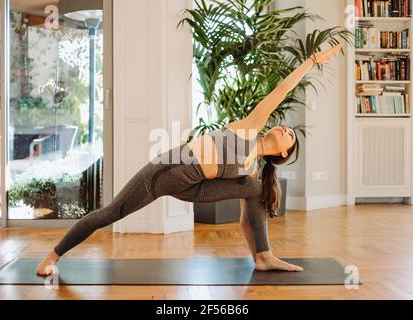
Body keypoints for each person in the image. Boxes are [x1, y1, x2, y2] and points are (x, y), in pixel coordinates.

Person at [37, 44, 343, 276]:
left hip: (194, 188)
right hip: (167, 171)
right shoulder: (250, 128)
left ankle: (263, 257)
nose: (286, 129)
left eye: (290, 136)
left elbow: (245, 219)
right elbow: (281, 90)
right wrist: (313, 61)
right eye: (286, 127)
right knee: (111, 213)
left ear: (282, 154)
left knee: (254, 189)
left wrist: (254, 239)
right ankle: (53, 255)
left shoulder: (250, 170)